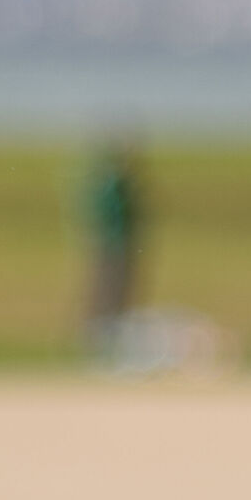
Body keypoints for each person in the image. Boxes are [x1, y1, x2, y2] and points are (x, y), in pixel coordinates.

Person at [81, 138, 144, 348]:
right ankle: (99, 339)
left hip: (120, 245)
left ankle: (112, 338)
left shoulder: (121, 183)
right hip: (112, 246)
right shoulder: (111, 183)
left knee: (120, 292)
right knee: (109, 291)